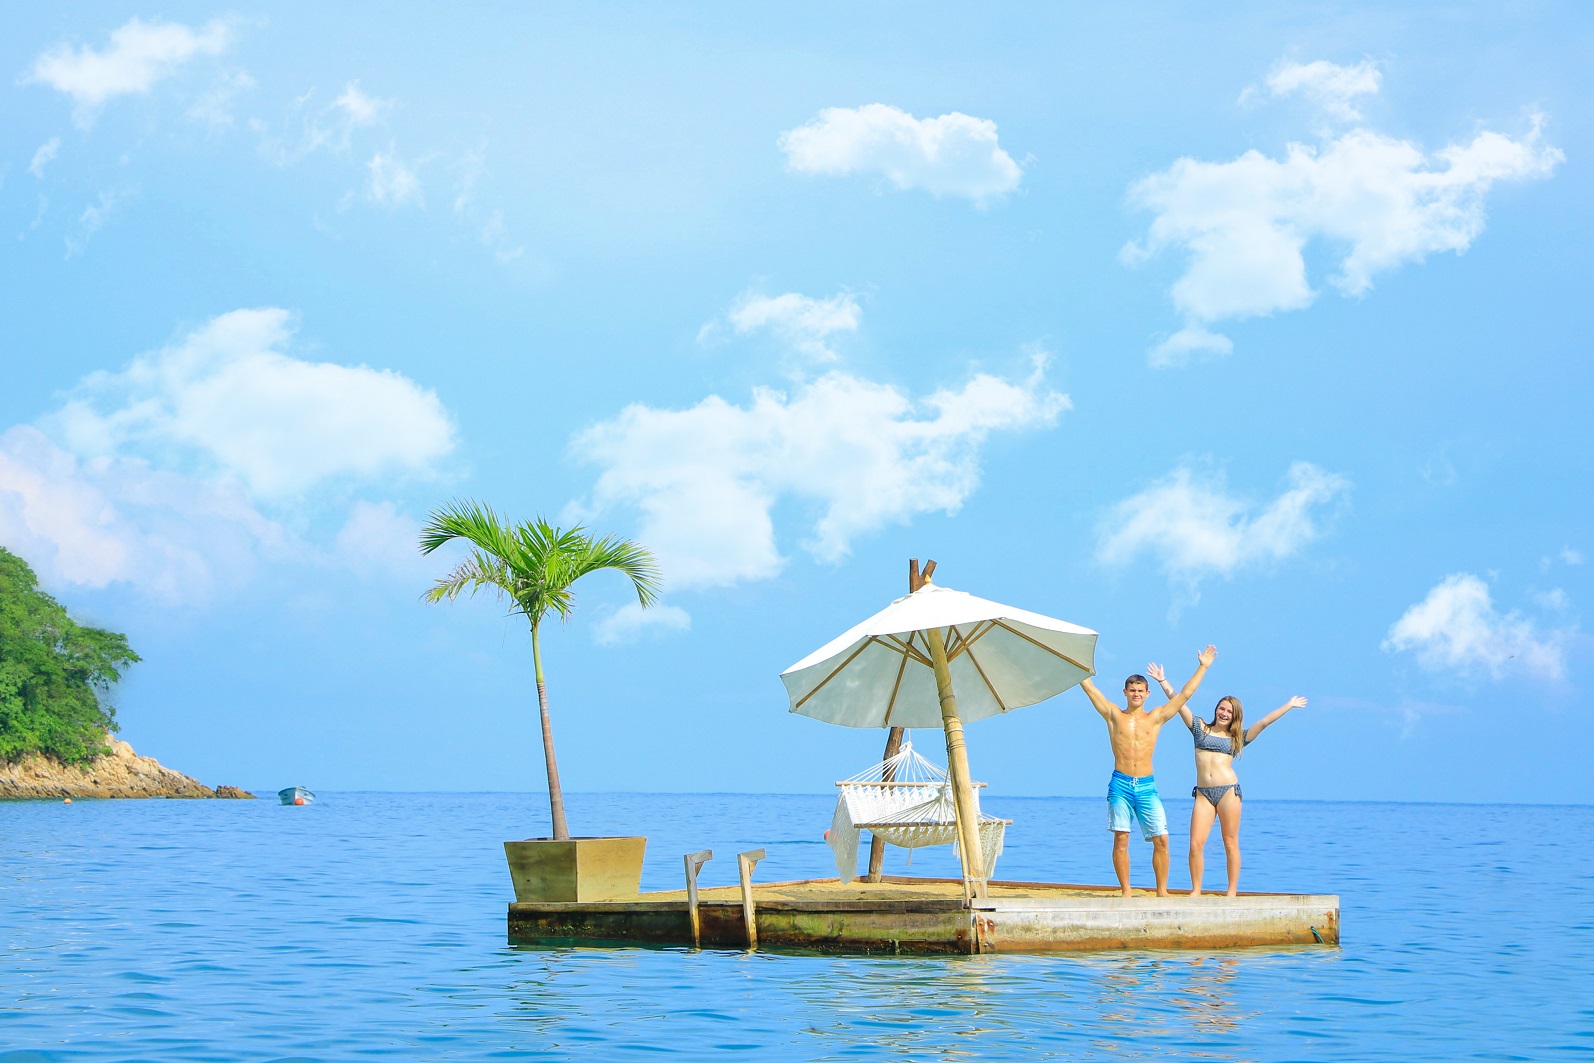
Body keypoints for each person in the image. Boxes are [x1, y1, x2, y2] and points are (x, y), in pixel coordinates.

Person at [1146, 663, 1307, 898]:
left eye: (1229, 712)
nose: (1224, 713)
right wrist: (1163, 681)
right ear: (1216, 710)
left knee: (1230, 842)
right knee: (1195, 844)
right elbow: (1178, 702)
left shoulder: (1237, 738)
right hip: (1203, 794)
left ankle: (1231, 891)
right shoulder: (1200, 728)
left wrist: (1289, 705)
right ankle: (1196, 890)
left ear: (1235, 716)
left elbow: (1264, 722)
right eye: (1222, 708)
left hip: (1228, 793)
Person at [1078, 646, 1217, 898]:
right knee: (1121, 839)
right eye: (1132, 690)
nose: (1136, 694)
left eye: (1140, 690)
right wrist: (1074, 662)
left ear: (1147, 693)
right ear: (1125, 692)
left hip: (1146, 785)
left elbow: (1185, 695)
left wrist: (1203, 666)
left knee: (1161, 839)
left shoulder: (1155, 717)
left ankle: (1162, 891)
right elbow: (1089, 688)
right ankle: (1126, 891)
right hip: (1120, 784)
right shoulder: (1113, 715)